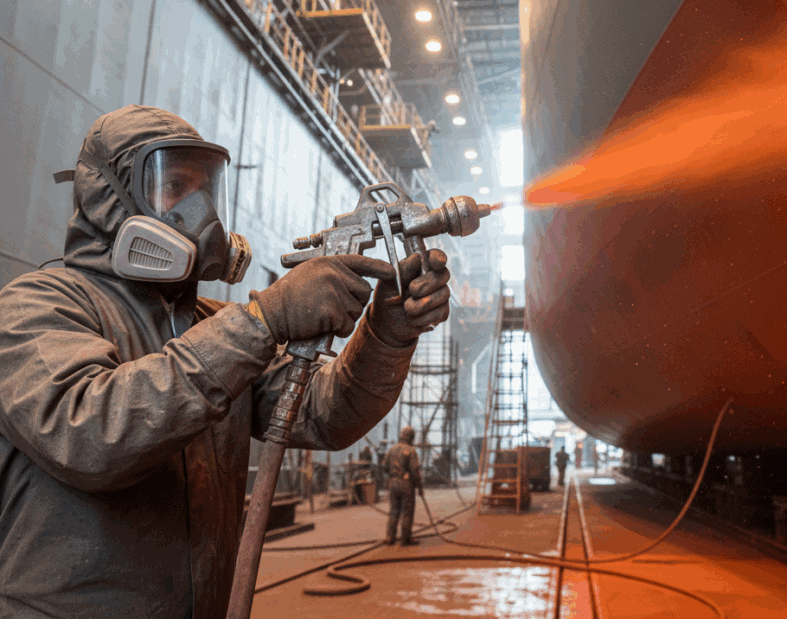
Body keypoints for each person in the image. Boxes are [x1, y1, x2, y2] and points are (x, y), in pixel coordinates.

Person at [0, 105, 452, 618]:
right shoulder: (36, 307)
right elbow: (89, 433)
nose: (199, 211)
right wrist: (261, 322)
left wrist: (387, 331)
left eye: (206, 189)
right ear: (109, 199)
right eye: (174, 186)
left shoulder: (212, 324)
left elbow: (323, 415)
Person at [383, 426, 423, 546]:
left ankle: (390, 537)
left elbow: (384, 465)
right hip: (406, 485)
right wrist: (420, 487)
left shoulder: (392, 449)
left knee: (394, 511)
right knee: (407, 511)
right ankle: (406, 538)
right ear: (411, 437)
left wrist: (393, 475)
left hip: (393, 483)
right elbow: (415, 470)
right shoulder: (411, 451)